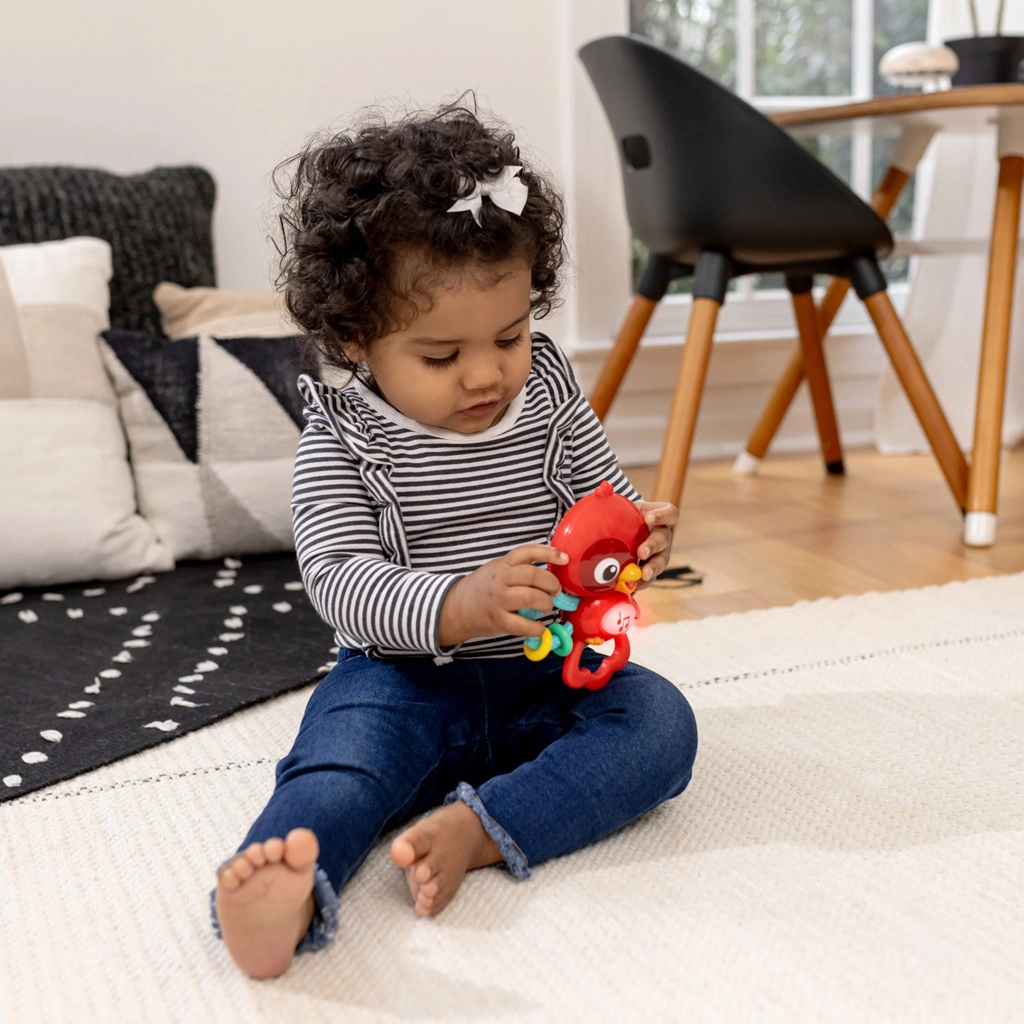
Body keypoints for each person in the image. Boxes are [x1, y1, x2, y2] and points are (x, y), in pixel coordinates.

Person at [211, 102, 698, 978]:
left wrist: (639, 539)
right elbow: (338, 580)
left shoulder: (546, 393)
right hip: (401, 682)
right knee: (339, 767)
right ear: (356, 339)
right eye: (441, 356)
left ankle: (483, 826)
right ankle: (287, 888)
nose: (485, 374)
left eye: (509, 336)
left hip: (548, 667)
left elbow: (603, 500)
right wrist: (458, 603)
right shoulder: (343, 436)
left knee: (660, 724)